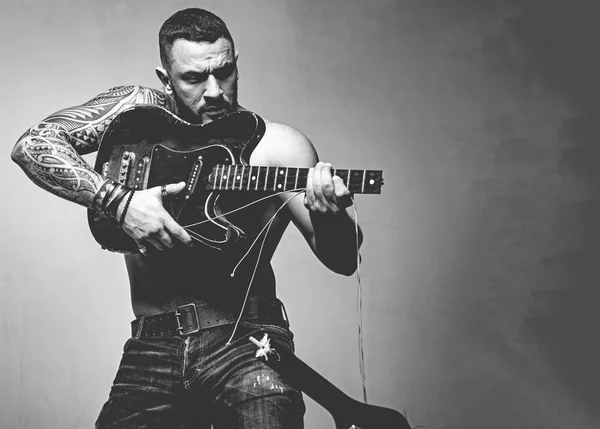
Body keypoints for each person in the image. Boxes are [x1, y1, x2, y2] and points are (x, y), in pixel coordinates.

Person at [11, 8, 362, 429]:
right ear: (166, 78)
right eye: (194, 78)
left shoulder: (278, 148)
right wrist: (119, 202)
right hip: (151, 346)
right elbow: (33, 144)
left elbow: (343, 261)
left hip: (245, 340)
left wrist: (333, 216)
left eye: (225, 72)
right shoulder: (136, 120)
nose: (214, 91)